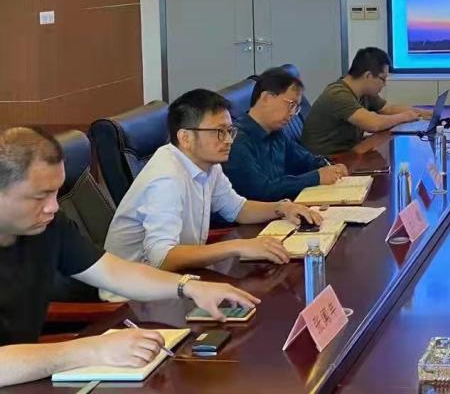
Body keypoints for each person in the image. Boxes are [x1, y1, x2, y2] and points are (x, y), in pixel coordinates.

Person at [0, 126, 258, 386]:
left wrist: (188, 286)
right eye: (40, 196)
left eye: (57, 192)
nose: (54, 206)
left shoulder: (48, 225)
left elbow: (113, 272)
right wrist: (91, 349)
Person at [104, 89, 322, 275]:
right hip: (134, 293)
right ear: (185, 138)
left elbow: (238, 209)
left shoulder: (207, 163)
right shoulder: (166, 179)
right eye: (219, 132)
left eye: (230, 131)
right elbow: (162, 257)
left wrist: (282, 208)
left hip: (177, 277)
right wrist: (237, 246)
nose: (228, 140)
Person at [224, 67, 348, 201]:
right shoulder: (236, 140)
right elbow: (261, 190)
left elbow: (306, 161)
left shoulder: (276, 133)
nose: (292, 114)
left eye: (296, 108)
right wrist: (316, 177)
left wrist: (330, 167)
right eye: (291, 104)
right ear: (266, 98)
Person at [301, 47, 431, 155]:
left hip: (347, 153)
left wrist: (425, 113)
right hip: (326, 161)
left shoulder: (364, 92)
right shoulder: (337, 94)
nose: (384, 84)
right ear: (368, 76)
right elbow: (374, 124)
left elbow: (388, 109)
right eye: (382, 79)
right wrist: (404, 117)